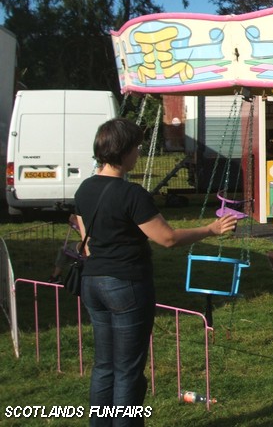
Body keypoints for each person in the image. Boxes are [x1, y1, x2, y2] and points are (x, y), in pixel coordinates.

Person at [74, 118, 237, 425]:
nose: (139, 152)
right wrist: (211, 229)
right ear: (124, 151)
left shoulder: (84, 189)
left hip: (93, 283)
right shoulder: (131, 193)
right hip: (126, 285)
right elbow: (167, 238)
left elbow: (88, 244)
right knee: (128, 370)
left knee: (104, 366)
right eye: (136, 147)